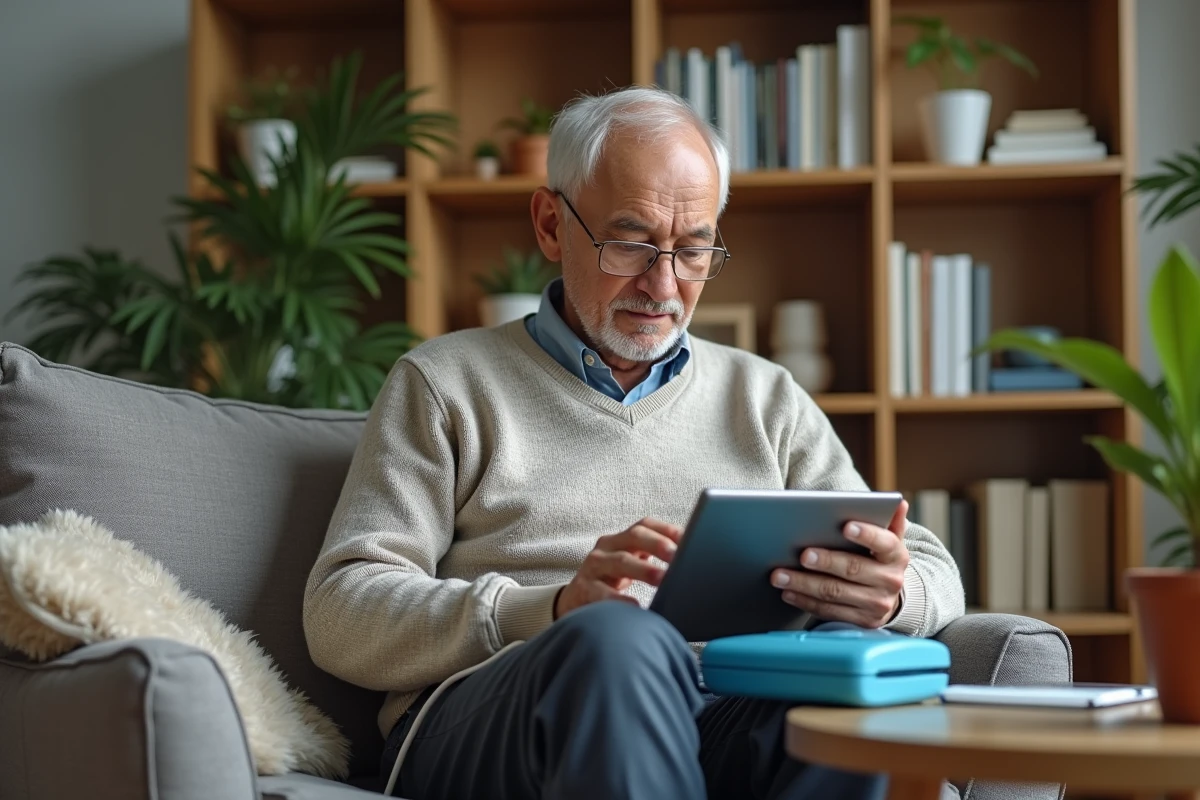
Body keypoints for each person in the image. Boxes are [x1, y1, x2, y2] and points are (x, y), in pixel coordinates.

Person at [303, 86, 965, 800]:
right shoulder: (444, 383)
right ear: (552, 224)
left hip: (719, 708)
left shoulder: (764, 396)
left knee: (848, 669)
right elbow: (342, 610)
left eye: (693, 249)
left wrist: (891, 594)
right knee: (619, 641)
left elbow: (930, 564)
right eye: (631, 243)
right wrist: (550, 610)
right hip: (493, 712)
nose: (664, 285)